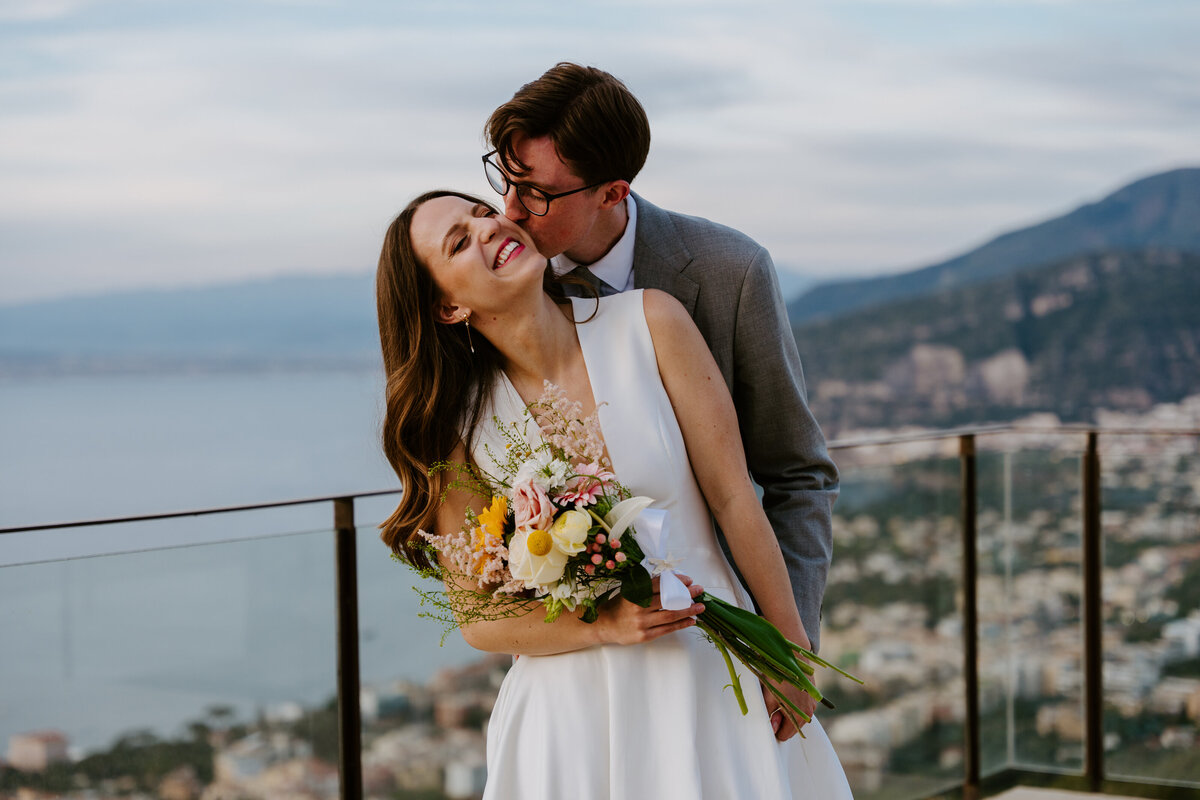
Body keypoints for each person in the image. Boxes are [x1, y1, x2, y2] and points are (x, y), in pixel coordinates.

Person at [376, 189, 852, 799]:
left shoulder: (652, 321)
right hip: (572, 720)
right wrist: (604, 626)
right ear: (446, 307)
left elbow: (737, 500)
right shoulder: (456, 426)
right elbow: (477, 617)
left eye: (481, 214)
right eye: (460, 241)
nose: (489, 229)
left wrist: (790, 651)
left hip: (712, 674)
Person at [481, 63, 839, 680]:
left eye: (535, 193)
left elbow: (798, 475)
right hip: (575, 662)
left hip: (716, 644)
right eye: (504, 179)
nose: (507, 211)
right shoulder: (498, 287)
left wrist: (787, 648)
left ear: (612, 193)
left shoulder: (732, 273)